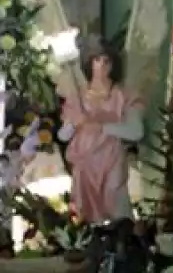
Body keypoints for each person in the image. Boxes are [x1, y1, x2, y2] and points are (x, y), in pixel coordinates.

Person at [60, 49, 144, 223]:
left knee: (115, 201)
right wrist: (74, 123)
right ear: (90, 62)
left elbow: (136, 131)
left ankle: (123, 238)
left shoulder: (123, 95)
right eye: (97, 60)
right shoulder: (78, 97)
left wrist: (101, 126)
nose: (102, 65)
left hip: (111, 158)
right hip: (85, 162)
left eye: (107, 60)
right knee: (84, 212)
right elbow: (63, 135)